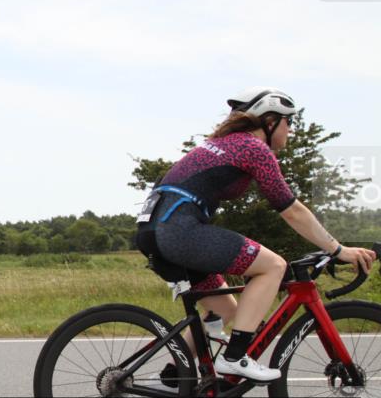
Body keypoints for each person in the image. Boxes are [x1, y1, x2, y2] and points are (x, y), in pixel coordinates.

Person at [138, 87, 376, 382]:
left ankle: (176, 379)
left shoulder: (223, 144)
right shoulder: (253, 148)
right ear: (270, 120)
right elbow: (292, 210)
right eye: (289, 123)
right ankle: (235, 357)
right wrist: (338, 250)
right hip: (178, 232)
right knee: (273, 266)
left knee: (225, 308)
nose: (291, 131)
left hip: (154, 230)